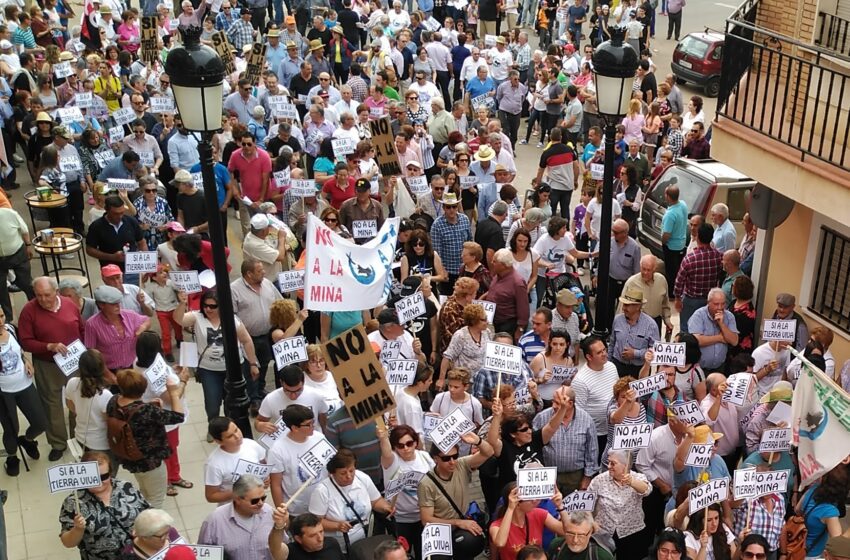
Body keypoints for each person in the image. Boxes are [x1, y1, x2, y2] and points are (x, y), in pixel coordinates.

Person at [18, 276, 85, 461]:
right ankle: (58, 443)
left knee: (76, 401)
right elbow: (25, 341)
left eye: (47, 295)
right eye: (38, 295)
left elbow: (82, 329)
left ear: (56, 292)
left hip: (73, 361)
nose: (43, 299)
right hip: (47, 364)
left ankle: (77, 437)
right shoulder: (29, 311)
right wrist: (48, 346)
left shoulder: (69, 304)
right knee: (51, 405)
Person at [174, 289, 259, 425]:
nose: (208, 309)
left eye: (212, 306)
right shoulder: (197, 317)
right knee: (212, 403)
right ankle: (213, 425)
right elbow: (179, 320)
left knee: (230, 402)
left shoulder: (232, 320)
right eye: (205, 305)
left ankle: (227, 427)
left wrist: (253, 364)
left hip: (232, 369)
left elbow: (246, 340)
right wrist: (182, 304)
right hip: (208, 370)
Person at [106, 368, 185, 508]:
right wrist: (173, 394)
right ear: (142, 389)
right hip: (151, 462)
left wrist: (150, 407)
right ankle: (150, 527)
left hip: (130, 457)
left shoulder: (113, 401)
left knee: (145, 492)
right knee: (156, 499)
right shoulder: (146, 411)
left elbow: (131, 414)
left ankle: (143, 518)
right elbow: (178, 416)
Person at [59, 451, 150, 560]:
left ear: (111, 473)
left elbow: (147, 513)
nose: (98, 482)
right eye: (93, 477)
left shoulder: (126, 487)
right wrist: (78, 529)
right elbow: (68, 543)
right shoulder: (74, 502)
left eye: (104, 476)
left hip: (136, 554)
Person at [418, 430, 494, 559]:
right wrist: (458, 522)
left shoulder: (462, 464)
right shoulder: (426, 484)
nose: (452, 462)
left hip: (462, 527)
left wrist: (478, 441)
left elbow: (489, 452)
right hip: (441, 529)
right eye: (446, 458)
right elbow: (427, 520)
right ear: (435, 459)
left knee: (471, 543)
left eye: (455, 456)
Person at [308, 448, 395, 549]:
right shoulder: (322, 491)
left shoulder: (362, 478)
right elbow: (315, 522)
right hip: (340, 546)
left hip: (366, 539)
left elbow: (376, 501)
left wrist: (385, 508)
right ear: (332, 473)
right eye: (343, 473)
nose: (349, 476)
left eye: (351, 470)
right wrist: (337, 526)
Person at [488, 387, 569, 492]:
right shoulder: (505, 448)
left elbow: (551, 427)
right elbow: (492, 440)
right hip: (516, 499)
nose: (530, 431)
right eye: (524, 429)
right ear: (513, 434)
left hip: (540, 494)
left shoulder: (535, 439)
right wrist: (497, 416)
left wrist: (562, 408)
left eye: (529, 427)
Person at [377, 424, 435, 560]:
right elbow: (386, 451)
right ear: (395, 447)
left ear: (415, 442)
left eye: (409, 443)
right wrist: (383, 438)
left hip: (424, 518)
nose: (406, 448)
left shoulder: (425, 457)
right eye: (400, 446)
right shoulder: (391, 461)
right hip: (401, 520)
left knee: (425, 556)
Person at [0, 307, 46, 476]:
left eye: (2, 316)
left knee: (41, 422)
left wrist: (26, 360)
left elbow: (19, 350)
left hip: (24, 384)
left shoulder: (11, 329)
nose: (0, 321)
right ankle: (12, 456)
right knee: (11, 427)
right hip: (4, 392)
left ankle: (27, 440)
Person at [532, 386, 598, 495]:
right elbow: (533, 447)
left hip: (575, 476)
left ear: (570, 403)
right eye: (553, 401)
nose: (553, 406)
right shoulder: (542, 418)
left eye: (558, 403)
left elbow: (592, 451)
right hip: (548, 475)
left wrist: (587, 477)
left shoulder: (586, 420)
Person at [588, 449, 652, 559]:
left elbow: (647, 490)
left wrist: (631, 482)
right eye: (608, 462)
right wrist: (592, 523)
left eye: (613, 463)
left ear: (625, 465)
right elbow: (587, 505)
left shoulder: (638, 478)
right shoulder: (599, 480)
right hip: (603, 532)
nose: (608, 466)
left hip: (631, 533)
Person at [198, 474, 278, 559]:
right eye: (255, 500)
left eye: (263, 498)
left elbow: (282, 546)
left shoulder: (269, 512)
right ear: (238, 499)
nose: (261, 503)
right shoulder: (215, 521)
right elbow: (203, 554)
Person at [268, 404, 328, 514]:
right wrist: (282, 512)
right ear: (294, 428)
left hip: (325, 503)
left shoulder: (319, 437)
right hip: (298, 510)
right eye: (308, 425)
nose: (313, 427)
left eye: (313, 422)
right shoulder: (277, 450)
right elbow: (275, 484)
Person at [489, 482, 569, 560]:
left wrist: (560, 506)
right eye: (529, 498)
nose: (535, 500)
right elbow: (500, 543)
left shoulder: (538, 513)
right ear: (517, 503)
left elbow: (567, 532)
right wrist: (510, 508)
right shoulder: (496, 525)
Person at [572, 336, 620, 456]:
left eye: (604, 350)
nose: (604, 354)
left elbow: (618, 393)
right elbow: (578, 413)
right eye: (599, 352)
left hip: (614, 429)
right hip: (595, 434)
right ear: (589, 357)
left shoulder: (611, 367)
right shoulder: (580, 381)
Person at [85, 285, 151, 372]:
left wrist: (142, 328)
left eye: (118, 302)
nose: (118, 306)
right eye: (113, 303)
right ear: (101, 305)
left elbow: (147, 320)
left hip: (133, 367)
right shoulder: (92, 324)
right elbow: (91, 352)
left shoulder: (130, 315)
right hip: (111, 370)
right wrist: (107, 374)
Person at [204, 416, 268, 504]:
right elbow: (211, 496)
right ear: (219, 441)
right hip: (233, 508)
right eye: (230, 436)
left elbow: (264, 464)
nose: (237, 436)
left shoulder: (251, 444)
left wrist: (266, 478)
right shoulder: (214, 464)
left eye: (236, 430)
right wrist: (240, 492)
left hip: (259, 503)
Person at [675, 224, 722, 333]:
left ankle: (687, 348)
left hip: (691, 300)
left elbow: (679, 281)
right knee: (706, 329)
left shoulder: (690, 258)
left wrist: (677, 298)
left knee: (686, 330)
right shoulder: (719, 256)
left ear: (698, 237)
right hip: (710, 300)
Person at [65, 350, 113, 456]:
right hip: (101, 445)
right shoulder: (105, 395)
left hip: (80, 438)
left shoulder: (72, 383)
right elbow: (109, 421)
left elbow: (70, 405)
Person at [797, 465, 848, 558]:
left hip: (798, 547)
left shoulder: (813, 489)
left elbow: (797, 509)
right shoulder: (830, 512)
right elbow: (837, 544)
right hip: (813, 554)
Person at [609, 288, 660, 377]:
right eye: (624, 305)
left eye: (627, 305)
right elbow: (612, 343)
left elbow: (656, 351)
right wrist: (608, 364)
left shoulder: (651, 325)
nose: (624, 308)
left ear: (638, 306)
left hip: (639, 370)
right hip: (617, 366)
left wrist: (635, 353)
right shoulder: (617, 319)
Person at [438, 304, 492, 388]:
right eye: (483, 320)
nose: (487, 322)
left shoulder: (487, 332)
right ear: (474, 321)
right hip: (465, 383)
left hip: (482, 381)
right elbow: (447, 357)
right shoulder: (460, 335)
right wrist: (441, 379)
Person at [688, 288, 739, 372]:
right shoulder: (698, 315)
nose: (720, 307)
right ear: (708, 303)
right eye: (716, 304)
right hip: (700, 368)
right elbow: (696, 340)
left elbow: (734, 341)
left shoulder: (729, 316)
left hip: (720, 367)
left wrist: (721, 324)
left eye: (723, 304)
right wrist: (720, 338)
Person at [486, 248, 531, 340]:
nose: (491, 262)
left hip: (508, 324)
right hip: (494, 321)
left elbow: (523, 308)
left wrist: (520, 329)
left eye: (495, 261)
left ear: (504, 265)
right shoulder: (497, 275)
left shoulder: (517, 283)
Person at [0, 206, 34, 321]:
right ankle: (7, 319)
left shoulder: (9, 214)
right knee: (1, 289)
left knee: (26, 283)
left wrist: (28, 245)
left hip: (17, 253)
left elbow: (24, 230)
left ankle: (36, 308)